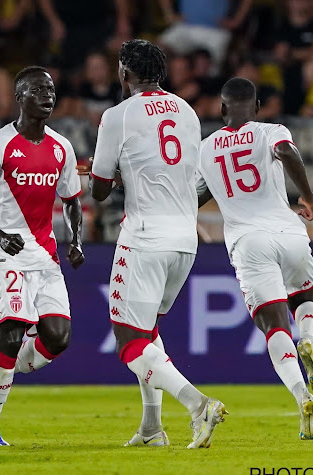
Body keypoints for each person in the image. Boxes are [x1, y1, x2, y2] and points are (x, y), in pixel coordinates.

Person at [85, 39, 226, 449]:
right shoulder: (187, 112)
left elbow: (98, 191)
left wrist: (105, 175)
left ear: (125, 73)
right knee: (148, 331)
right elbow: (178, 172)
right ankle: (151, 428)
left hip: (144, 236)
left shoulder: (117, 115)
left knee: (130, 342)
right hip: (185, 238)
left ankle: (198, 404)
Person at [196, 77, 313, 440]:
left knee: (274, 327)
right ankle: (311, 344)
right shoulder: (270, 130)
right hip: (288, 231)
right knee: (305, 298)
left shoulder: (205, 149)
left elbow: (193, 196)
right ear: (255, 108)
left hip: (248, 241)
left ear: (222, 109)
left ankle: (303, 397)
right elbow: (286, 152)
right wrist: (307, 197)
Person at [0, 66, 85, 446]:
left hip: (45, 257)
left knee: (58, 338)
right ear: (19, 97)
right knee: (12, 337)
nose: (47, 95)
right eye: (37, 90)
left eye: (50, 89)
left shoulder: (61, 146)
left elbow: (72, 200)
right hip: (4, 257)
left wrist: (76, 239)